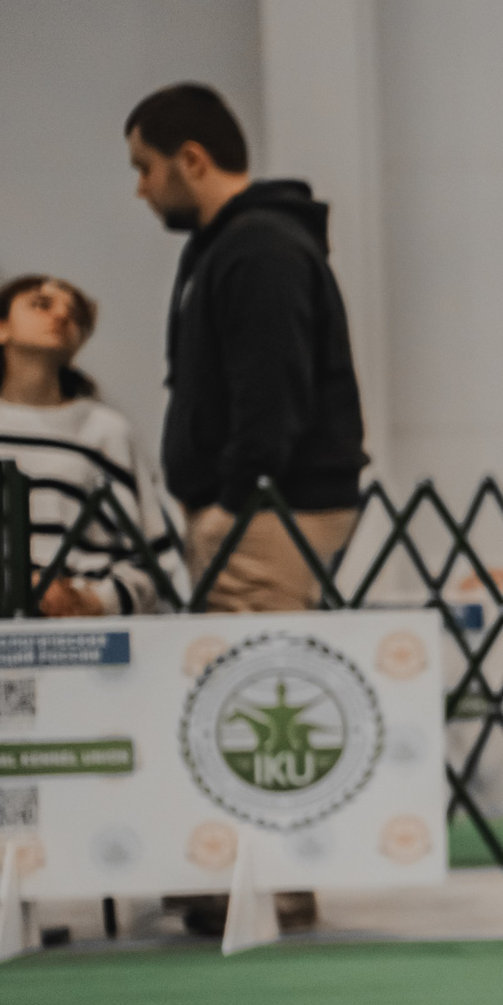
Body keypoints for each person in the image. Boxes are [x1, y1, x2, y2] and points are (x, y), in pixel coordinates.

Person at [125, 83, 368, 613]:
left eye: (145, 168)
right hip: (256, 506)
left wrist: (234, 502)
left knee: (253, 658)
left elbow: (271, 388)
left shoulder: (259, 248)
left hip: (267, 510)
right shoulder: (228, 246)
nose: (141, 189)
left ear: (192, 160)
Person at [0, 275, 180, 615]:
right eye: (41, 304)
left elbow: (153, 555)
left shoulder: (104, 431)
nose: (61, 316)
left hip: (77, 628)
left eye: (75, 314)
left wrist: (92, 601)